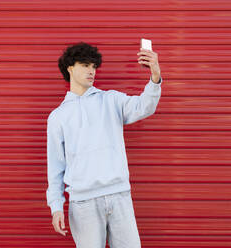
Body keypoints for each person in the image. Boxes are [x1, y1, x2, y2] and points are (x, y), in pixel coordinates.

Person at [46, 41, 162, 248]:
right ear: (70, 68)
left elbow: (144, 106)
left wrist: (155, 75)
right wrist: (56, 206)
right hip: (83, 204)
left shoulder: (111, 100)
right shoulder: (58, 117)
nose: (91, 71)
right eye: (85, 65)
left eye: (93, 67)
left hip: (119, 196)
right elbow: (55, 167)